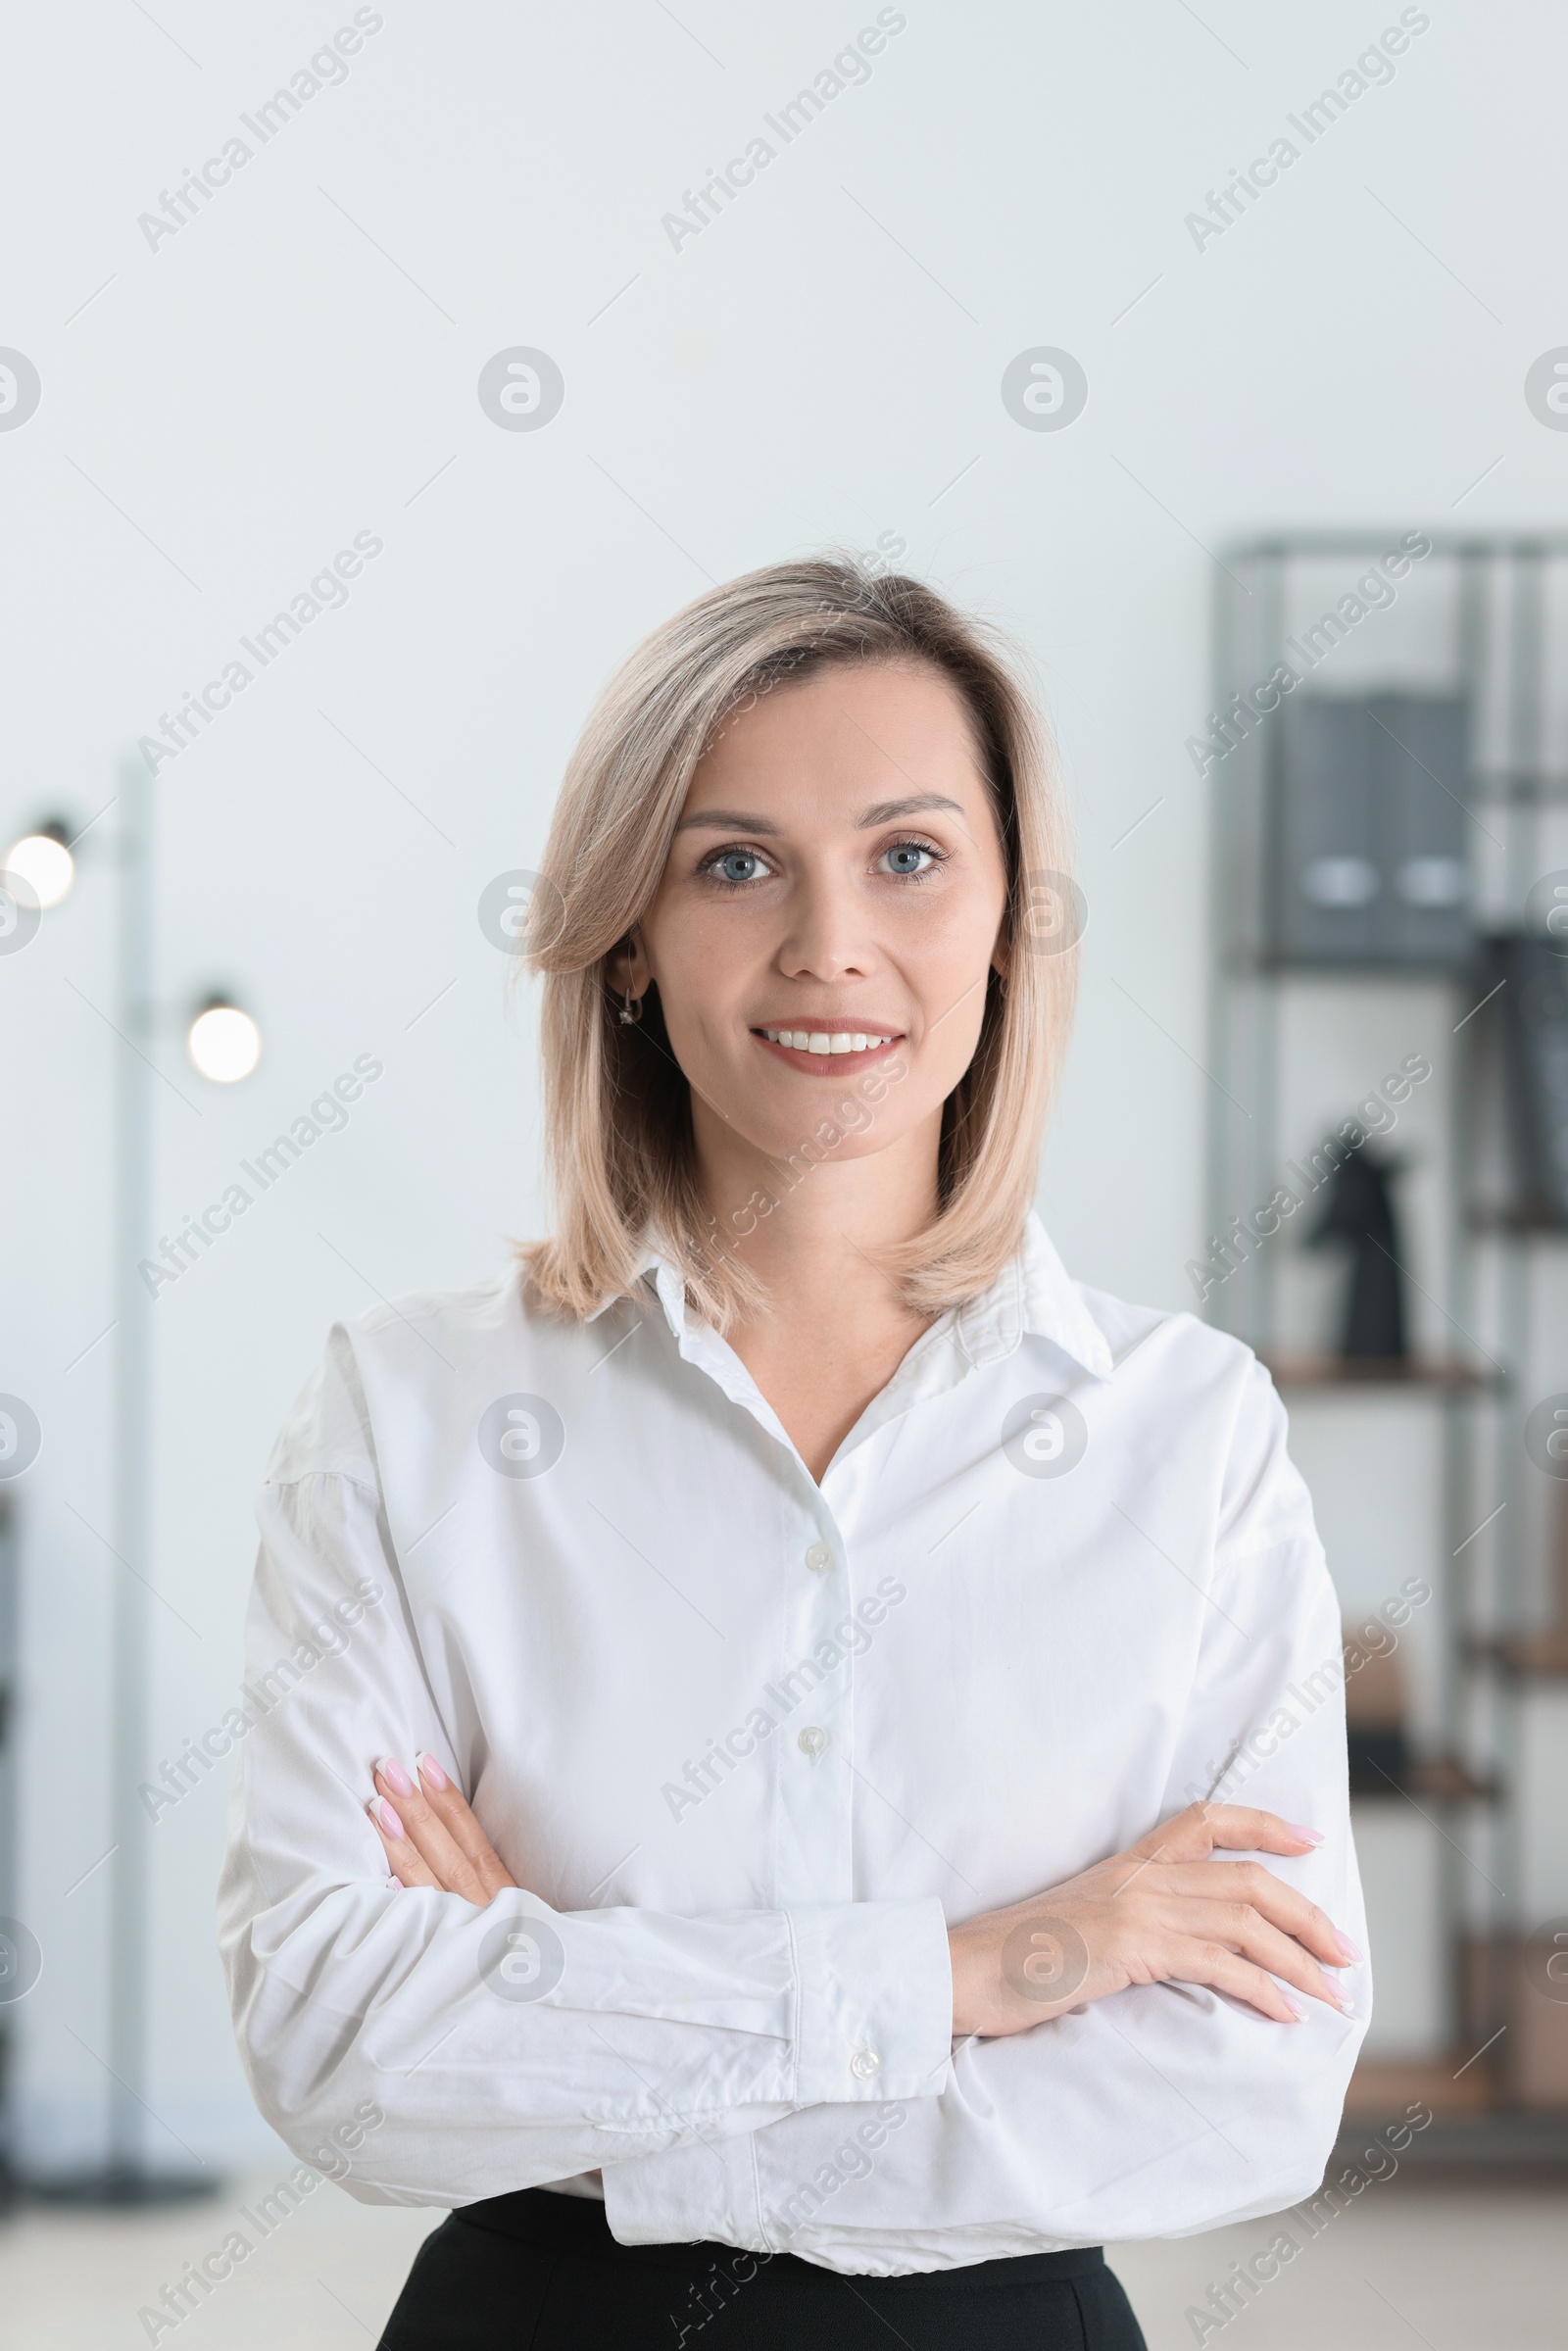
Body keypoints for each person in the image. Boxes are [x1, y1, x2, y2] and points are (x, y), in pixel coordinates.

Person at [219, 556, 1368, 2350]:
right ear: (624, 939)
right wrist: (982, 1973)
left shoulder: (1188, 1434)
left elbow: (1245, 2090)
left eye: (909, 857)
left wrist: (576, 2020)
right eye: (735, 862)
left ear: (1008, 918)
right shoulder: (409, 1407)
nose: (831, 942)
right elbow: (343, 2051)